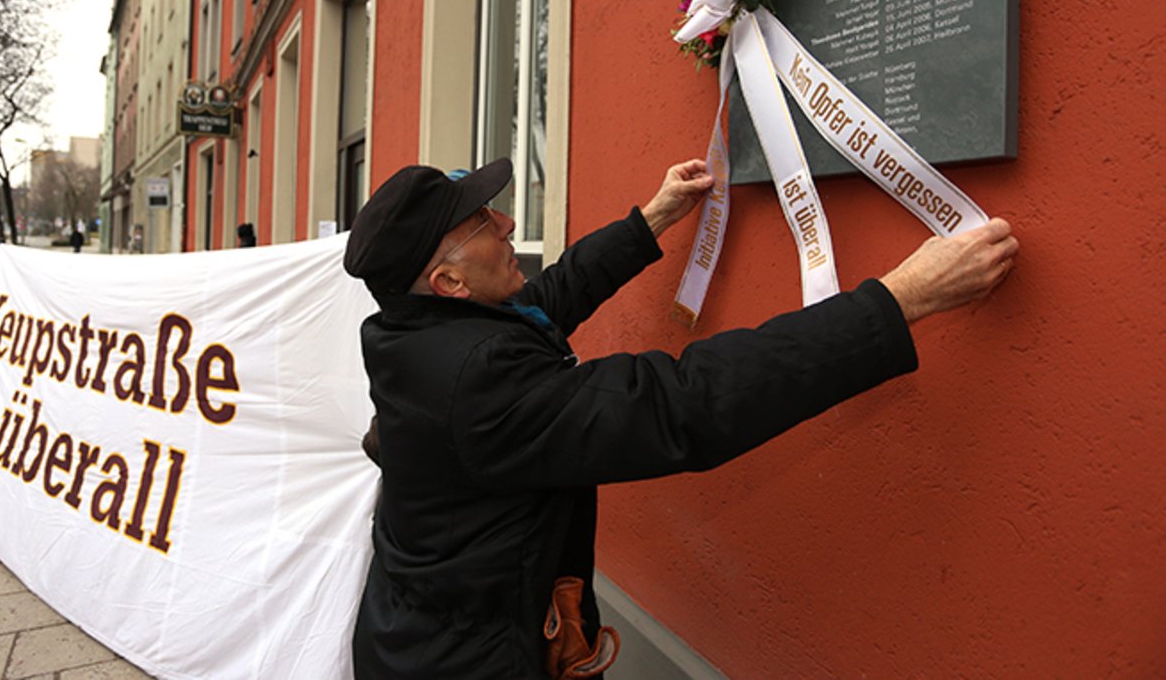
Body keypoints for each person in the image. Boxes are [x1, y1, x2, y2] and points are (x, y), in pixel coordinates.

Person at [342, 157, 1018, 679]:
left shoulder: (418, 331)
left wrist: (651, 221)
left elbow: (546, 302)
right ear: (450, 282)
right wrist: (895, 303)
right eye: (483, 224)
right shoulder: (476, 382)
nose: (507, 225)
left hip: (425, 635)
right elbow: (683, 402)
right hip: (468, 662)